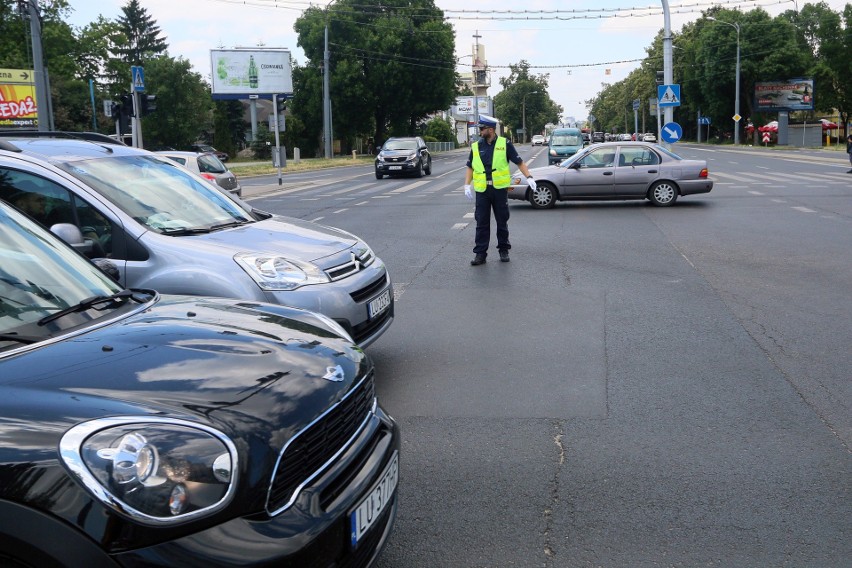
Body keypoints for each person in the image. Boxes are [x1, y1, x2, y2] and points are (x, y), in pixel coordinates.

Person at [464, 115, 536, 265]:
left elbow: (519, 162)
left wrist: (529, 177)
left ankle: (503, 250)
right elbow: (470, 167)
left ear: (490, 130)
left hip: (499, 189)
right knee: (481, 223)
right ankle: (480, 254)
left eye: (482, 129)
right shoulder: (476, 146)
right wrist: (466, 185)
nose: (480, 131)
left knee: (502, 221)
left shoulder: (505, 144)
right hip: (482, 190)